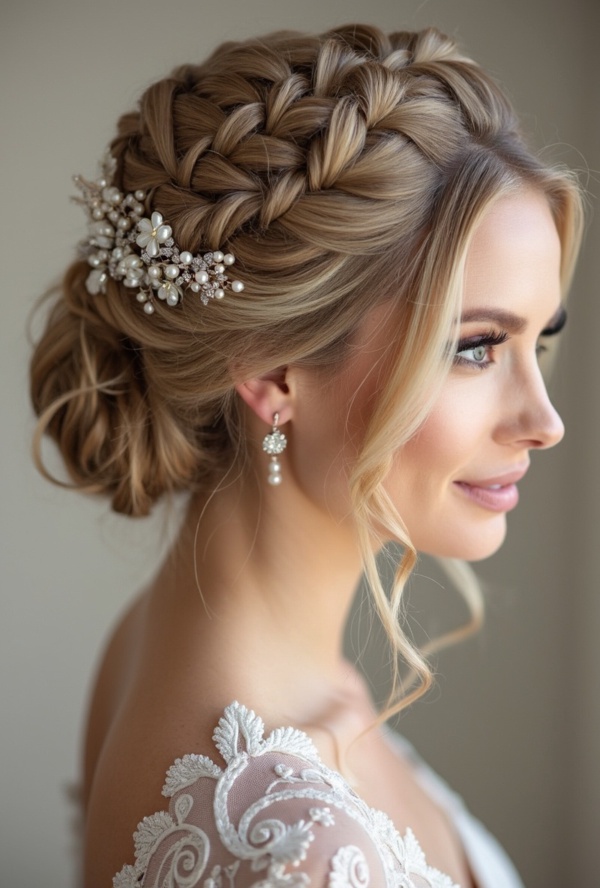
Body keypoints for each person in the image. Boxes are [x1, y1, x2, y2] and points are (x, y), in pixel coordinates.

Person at [30, 23, 583, 888]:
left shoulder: (170, 636)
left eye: (538, 340)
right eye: (476, 346)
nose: (545, 421)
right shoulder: (292, 855)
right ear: (273, 371)